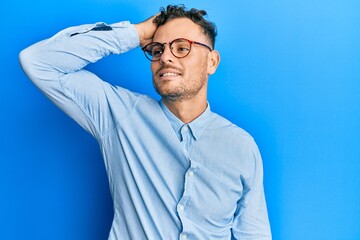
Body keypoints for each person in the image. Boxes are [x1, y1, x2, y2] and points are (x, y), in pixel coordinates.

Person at [20, 4, 271, 240]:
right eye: (157, 49)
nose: (166, 58)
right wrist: (136, 33)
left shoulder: (241, 146)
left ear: (212, 62)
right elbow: (38, 61)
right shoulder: (120, 115)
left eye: (182, 48)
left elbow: (254, 234)